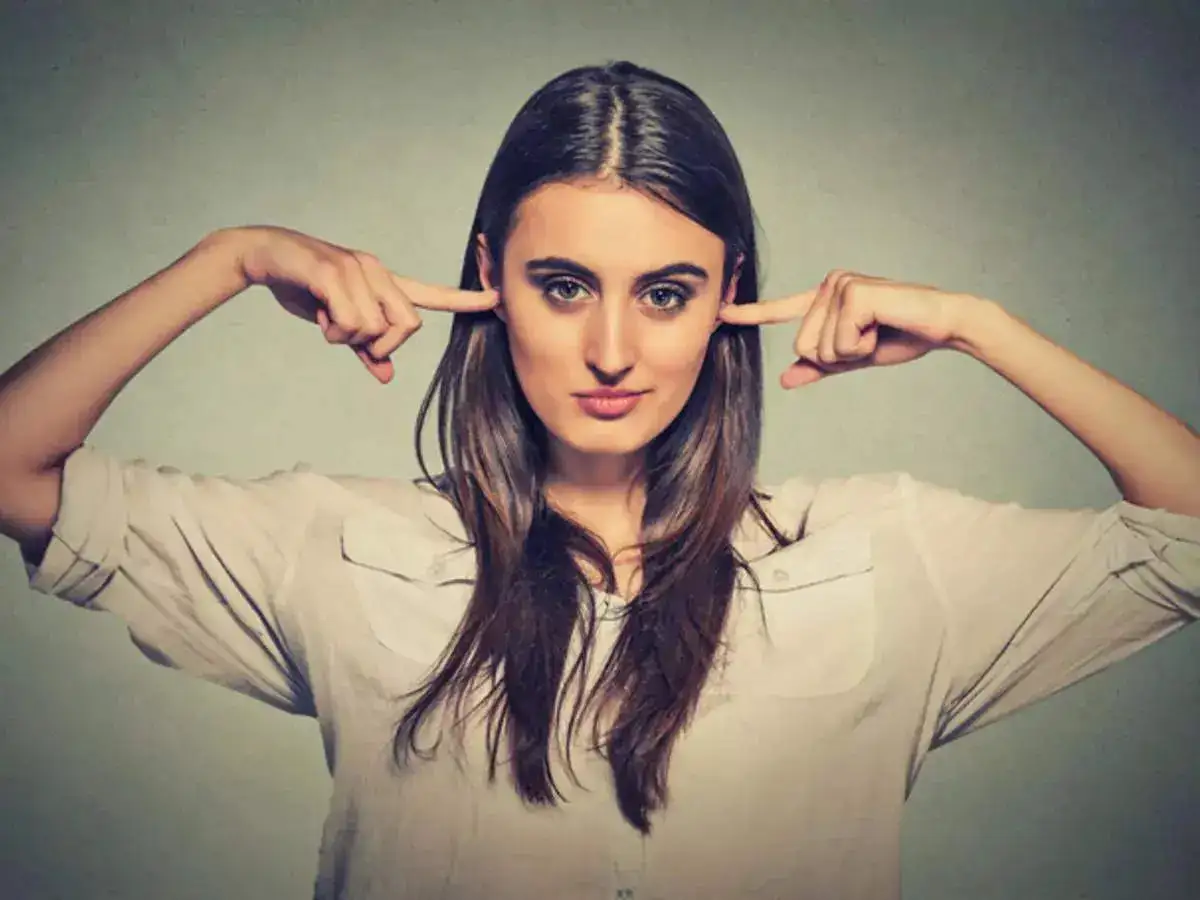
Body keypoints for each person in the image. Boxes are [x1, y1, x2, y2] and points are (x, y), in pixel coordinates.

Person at [0, 59, 1196, 900]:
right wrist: (232, 258)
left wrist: (979, 325)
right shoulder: (341, 547)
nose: (613, 351)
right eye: (564, 284)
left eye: (666, 292)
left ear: (730, 292)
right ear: (489, 277)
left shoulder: (886, 557)